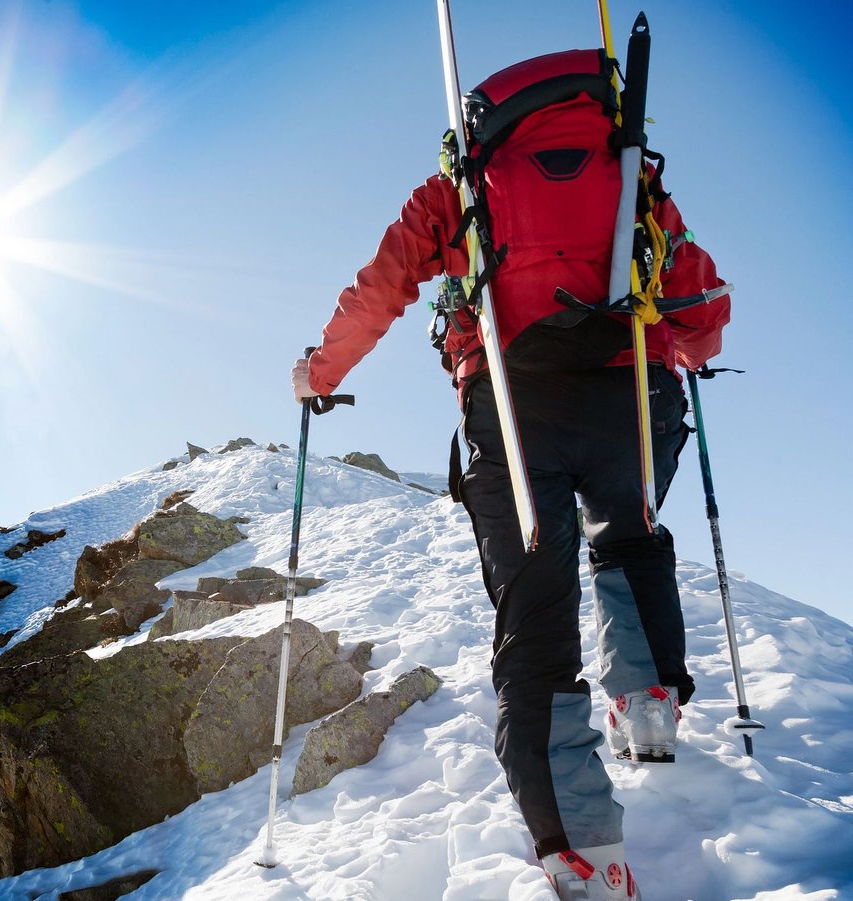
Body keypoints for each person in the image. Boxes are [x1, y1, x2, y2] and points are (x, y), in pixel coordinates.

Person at [290, 50, 730, 900]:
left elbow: (383, 282)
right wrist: (689, 352)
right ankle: (648, 706)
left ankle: (586, 854)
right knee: (629, 538)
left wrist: (323, 369)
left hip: (511, 399)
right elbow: (697, 295)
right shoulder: (628, 169)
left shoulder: (457, 186)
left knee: (537, 615)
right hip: (629, 390)